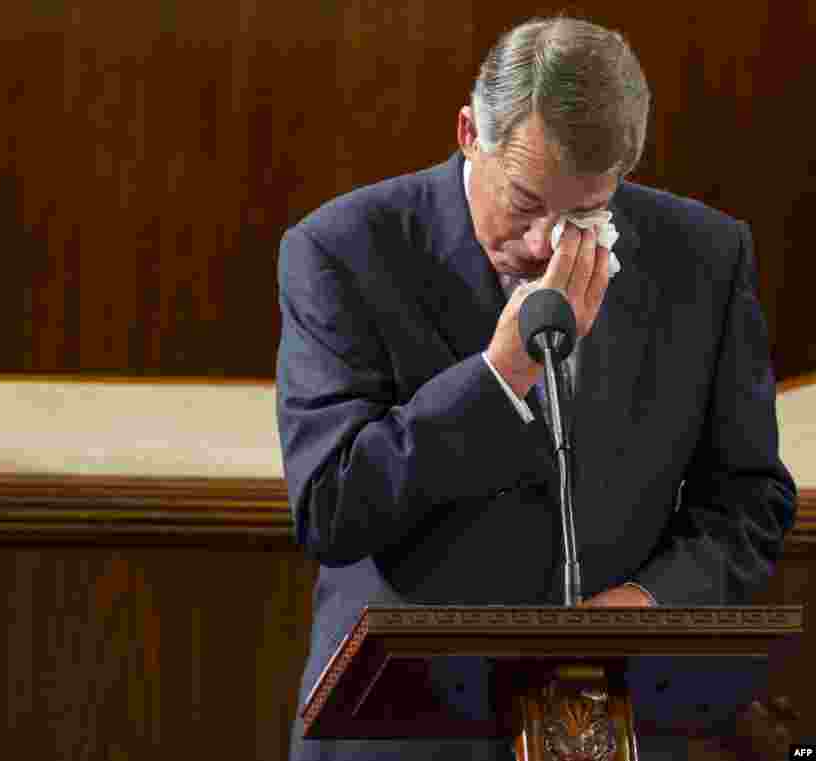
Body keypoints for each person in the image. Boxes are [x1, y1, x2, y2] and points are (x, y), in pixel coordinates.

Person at [275, 16, 797, 761]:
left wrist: (649, 603)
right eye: (524, 202)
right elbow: (330, 505)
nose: (545, 243)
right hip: (400, 729)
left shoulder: (706, 259)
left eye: (583, 212)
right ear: (467, 133)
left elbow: (749, 501)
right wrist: (500, 375)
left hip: (610, 725)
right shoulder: (339, 251)